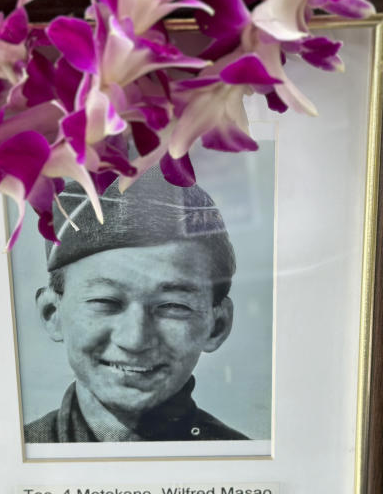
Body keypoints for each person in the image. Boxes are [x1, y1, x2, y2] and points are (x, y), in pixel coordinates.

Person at [23, 167, 249, 443]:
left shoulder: (241, 459)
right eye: (105, 302)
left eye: (173, 306)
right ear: (52, 313)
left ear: (217, 326)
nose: (135, 339)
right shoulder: (15, 457)